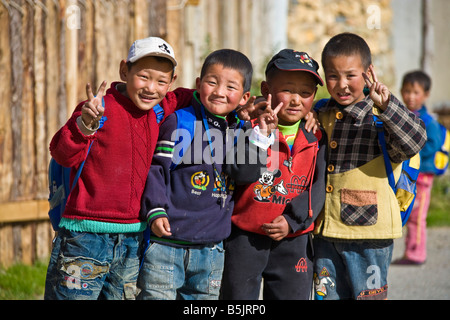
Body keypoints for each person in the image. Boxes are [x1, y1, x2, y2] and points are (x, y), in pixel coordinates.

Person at [44, 37, 193, 300]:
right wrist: (85, 124)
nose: (151, 88)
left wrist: (239, 106)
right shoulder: (99, 110)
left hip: (131, 240)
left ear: (171, 82)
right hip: (85, 237)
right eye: (143, 76)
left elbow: (189, 96)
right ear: (125, 71)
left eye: (161, 81)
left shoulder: (159, 108)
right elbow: (61, 153)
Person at [137, 49, 279, 300]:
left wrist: (260, 137)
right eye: (212, 82)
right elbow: (157, 169)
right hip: (168, 244)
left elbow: (246, 174)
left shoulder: (241, 131)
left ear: (245, 96)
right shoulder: (180, 122)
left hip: (212, 249)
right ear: (198, 84)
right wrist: (155, 209)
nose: (219, 92)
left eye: (230, 87)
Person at [312, 32, 427, 300]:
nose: (341, 84)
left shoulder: (380, 117)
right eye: (332, 76)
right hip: (325, 233)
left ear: (367, 73)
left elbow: (415, 141)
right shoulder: (321, 112)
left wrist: (387, 104)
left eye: (350, 75)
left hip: (370, 236)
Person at [220, 49, 327, 300]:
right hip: (244, 237)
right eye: (288, 90)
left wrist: (292, 221)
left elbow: (318, 188)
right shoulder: (250, 128)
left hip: (294, 241)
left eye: (305, 93)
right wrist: (259, 137)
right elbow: (241, 173)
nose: (296, 100)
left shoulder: (316, 137)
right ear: (266, 89)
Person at [393, 71, 441, 265]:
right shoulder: (404, 115)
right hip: (408, 175)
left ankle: (416, 253)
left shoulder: (429, 122)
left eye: (415, 92)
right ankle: (410, 251)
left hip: (421, 177)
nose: (410, 96)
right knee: (407, 212)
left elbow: (432, 145)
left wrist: (412, 152)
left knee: (417, 216)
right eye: (406, 91)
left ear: (426, 95)